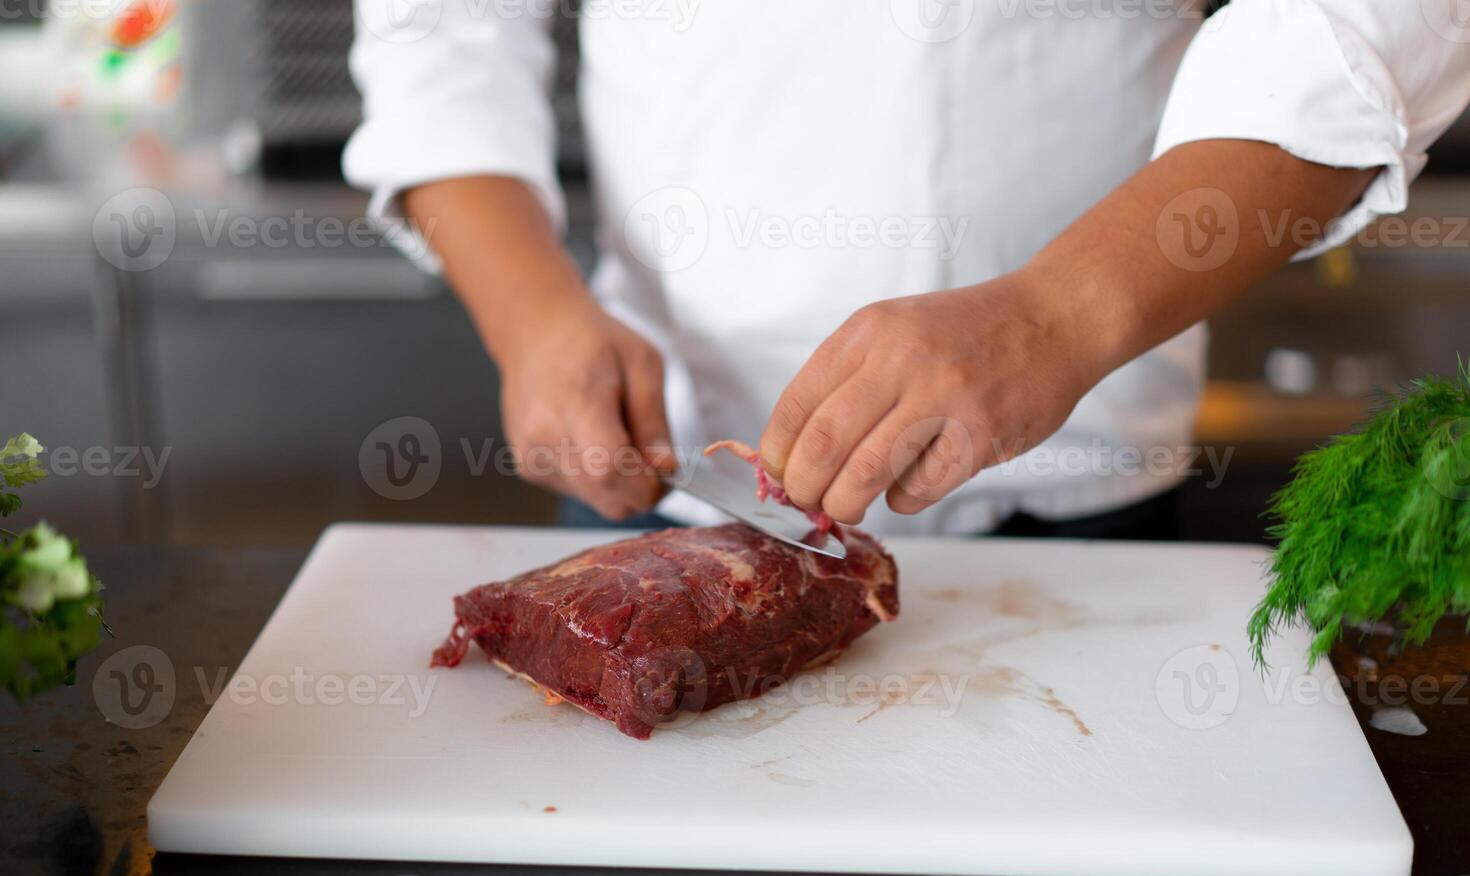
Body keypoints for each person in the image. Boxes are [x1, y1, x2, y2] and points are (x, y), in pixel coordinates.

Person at [345, 0, 1470, 538]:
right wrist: (534, 315)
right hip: (670, 467)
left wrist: (1058, 313)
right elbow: (440, 32)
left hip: (1086, 462)